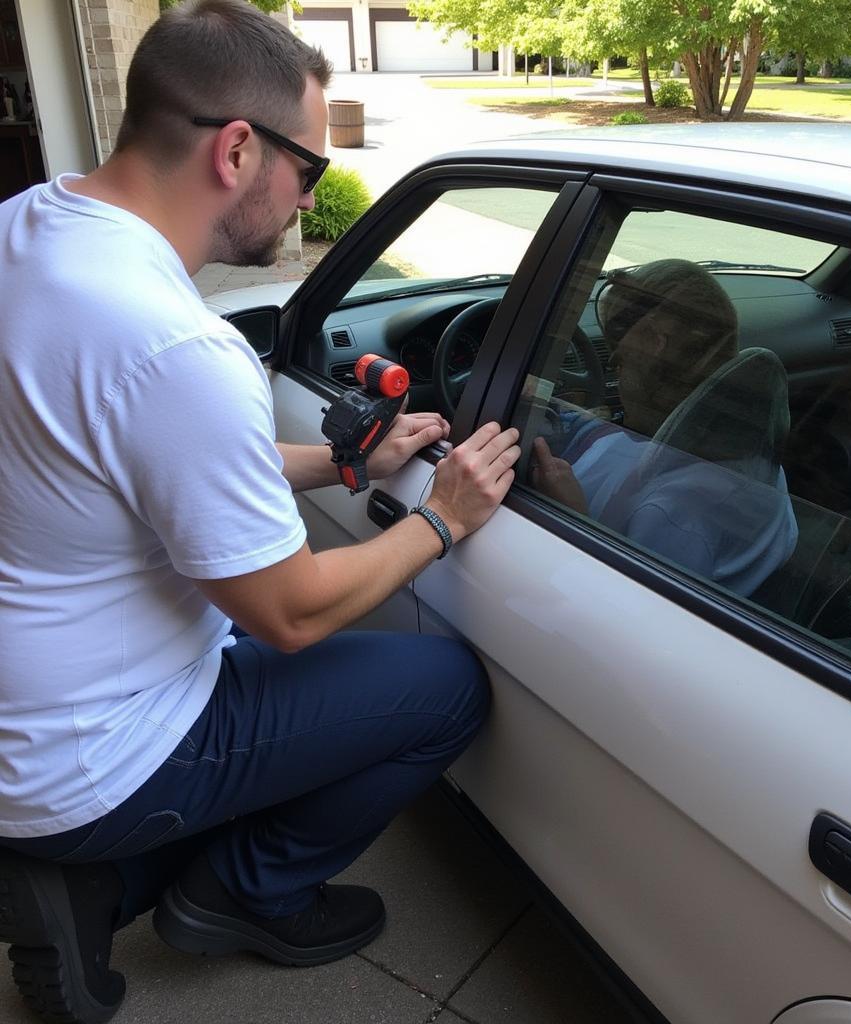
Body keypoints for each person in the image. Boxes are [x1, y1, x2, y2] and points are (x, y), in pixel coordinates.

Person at [0, 3, 520, 1023]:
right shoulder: (177, 347)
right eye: (311, 170)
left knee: (250, 638)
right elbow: (292, 611)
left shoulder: (26, 230)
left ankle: (83, 872)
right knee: (440, 686)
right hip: (85, 750)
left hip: (29, 695)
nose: (307, 196)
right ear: (237, 150)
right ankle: (223, 891)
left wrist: (342, 461)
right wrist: (443, 519)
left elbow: (137, 459)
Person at [529, 258, 797, 597]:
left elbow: (624, 613)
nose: (614, 369)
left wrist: (573, 518)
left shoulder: (672, 513)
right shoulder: (751, 446)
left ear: (655, 341)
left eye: (620, 359)